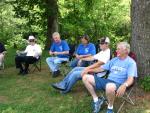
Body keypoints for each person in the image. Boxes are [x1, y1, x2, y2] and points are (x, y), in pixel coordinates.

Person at [82, 42, 137, 113]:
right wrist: (88, 69)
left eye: (118, 49)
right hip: (107, 81)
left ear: (126, 50)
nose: (116, 51)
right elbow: (101, 69)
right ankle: (96, 100)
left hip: (118, 84)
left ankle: (110, 108)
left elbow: (131, 79)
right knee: (85, 77)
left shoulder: (131, 63)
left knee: (109, 86)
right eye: (117, 49)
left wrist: (124, 85)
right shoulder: (114, 60)